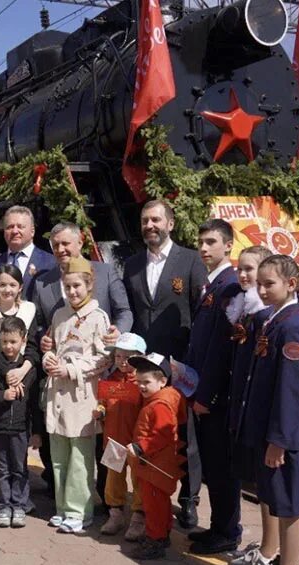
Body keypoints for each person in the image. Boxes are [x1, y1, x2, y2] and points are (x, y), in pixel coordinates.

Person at [236, 255, 299, 565]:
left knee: (289, 509)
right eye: (260, 283)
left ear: (292, 284)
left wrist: (278, 442)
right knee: (277, 503)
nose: (262, 289)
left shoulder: (292, 328)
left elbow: (290, 392)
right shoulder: (274, 321)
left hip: (284, 439)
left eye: (269, 283)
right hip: (272, 435)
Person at [122, 199, 207, 528]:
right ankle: (150, 499)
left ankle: (189, 499)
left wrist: (189, 362)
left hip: (179, 366)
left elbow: (200, 311)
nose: (150, 226)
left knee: (185, 435)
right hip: (145, 368)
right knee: (148, 432)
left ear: (170, 224)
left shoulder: (190, 261)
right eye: (145, 221)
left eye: (156, 220)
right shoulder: (130, 265)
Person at [34, 222, 132, 499]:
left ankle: (108, 499)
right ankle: (69, 497)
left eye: (66, 243)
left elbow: (124, 311)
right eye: (56, 246)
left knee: (103, 438)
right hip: (63, 380)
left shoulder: (105, 271)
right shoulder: (43, 280)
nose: (62, 249)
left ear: (80, 243)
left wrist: (117, 332)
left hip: (102, 373)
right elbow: (43, 324)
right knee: (68, 442)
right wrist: (45, 340)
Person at [184, 219, 243, 555]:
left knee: (221, 466)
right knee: (212, 463)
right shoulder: (213, 284)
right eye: (201, 242)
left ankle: (228, 531)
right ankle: (219, 526)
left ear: (227, 246)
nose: (204, 248)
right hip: (202, 389)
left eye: (211, 242)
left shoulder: (229, 286)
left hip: (214, 397)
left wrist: (207, 395)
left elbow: (221, 349)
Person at [42, 255, 112, 534]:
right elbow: (53, 346)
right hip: (56, 394)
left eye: (77, 287)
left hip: (82, 395)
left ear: (89, 285)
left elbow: (103, 357)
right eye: (68, 287)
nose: (72, 292)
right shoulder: (59, 315)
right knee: (59, 455)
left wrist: (71, 369)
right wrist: (48, 357)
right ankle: (62, 507)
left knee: (81, 458)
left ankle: (79, 511)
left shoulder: (98, 317)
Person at [225, 246, 275, 565]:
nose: (243, 275)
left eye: (250, 270)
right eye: (240, 269)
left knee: (270, 488)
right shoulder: (245, 308)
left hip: (259, 410)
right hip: (243, 403)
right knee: (260, 485)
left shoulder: (265, 317)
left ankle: (270, 551)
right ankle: (267, 545)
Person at [0, 264, 40, 518]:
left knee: (16, 458)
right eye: (2, 284)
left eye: (12, 285)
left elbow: (33, 348)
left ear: (20, 287)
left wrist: (22, 370)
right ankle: (1, 498)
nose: (6, 289)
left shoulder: (28, 310)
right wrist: (7, 374)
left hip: (23, 380)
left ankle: (19, 501)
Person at [125, 353, 186, 560]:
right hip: (156, 465)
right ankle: (161, 534)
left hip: (155, 466)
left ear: (162, 381)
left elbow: (162, 434)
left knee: (153, 506)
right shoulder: (161, 399)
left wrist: (141, 447)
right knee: (160, 503)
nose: (141, 387)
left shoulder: (159, 404)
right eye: (139, 382)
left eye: (146, 382)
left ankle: (155, 540)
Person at [0, 316, 38, 528]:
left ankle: (19, 505)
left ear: (23, 340)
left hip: (20, 428)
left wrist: (36, 432)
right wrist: (2, 396)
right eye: (5, 341)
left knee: (19, 468)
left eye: (13, 342)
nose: (8, 346)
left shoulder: (28, 370)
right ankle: (5, 505)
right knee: (1, 470)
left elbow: (35, 402)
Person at [95, 332, 146, 540]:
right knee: (113, 479)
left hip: (135, 443)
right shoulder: (110, 379)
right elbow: (104, 402)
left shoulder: (142, 382)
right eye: (118, 356)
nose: (122, 361)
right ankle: (115, 514)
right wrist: (100, 410)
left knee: (139, 479)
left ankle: (138, 517)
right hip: (113, 440)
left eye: (128, 357)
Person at [0, 205, 56, 299]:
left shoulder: (51, 263)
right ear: (4, 231)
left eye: (20, 227)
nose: (15, 231)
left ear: (32, 231)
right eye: (10, 227)